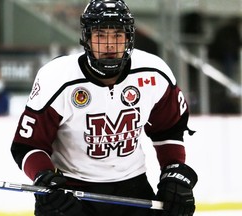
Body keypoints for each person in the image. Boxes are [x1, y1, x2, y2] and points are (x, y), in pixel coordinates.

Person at [10, 0, 198, 215]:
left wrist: (172, 171)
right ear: (87, 39)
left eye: (117, 35)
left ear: (129, 38)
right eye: (100, 35)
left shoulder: (153, 73)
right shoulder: (57, 77)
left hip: (133, 191)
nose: (109, 44)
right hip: (73, 194)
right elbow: (27, 146)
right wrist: (45, 178)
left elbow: (169, 130)